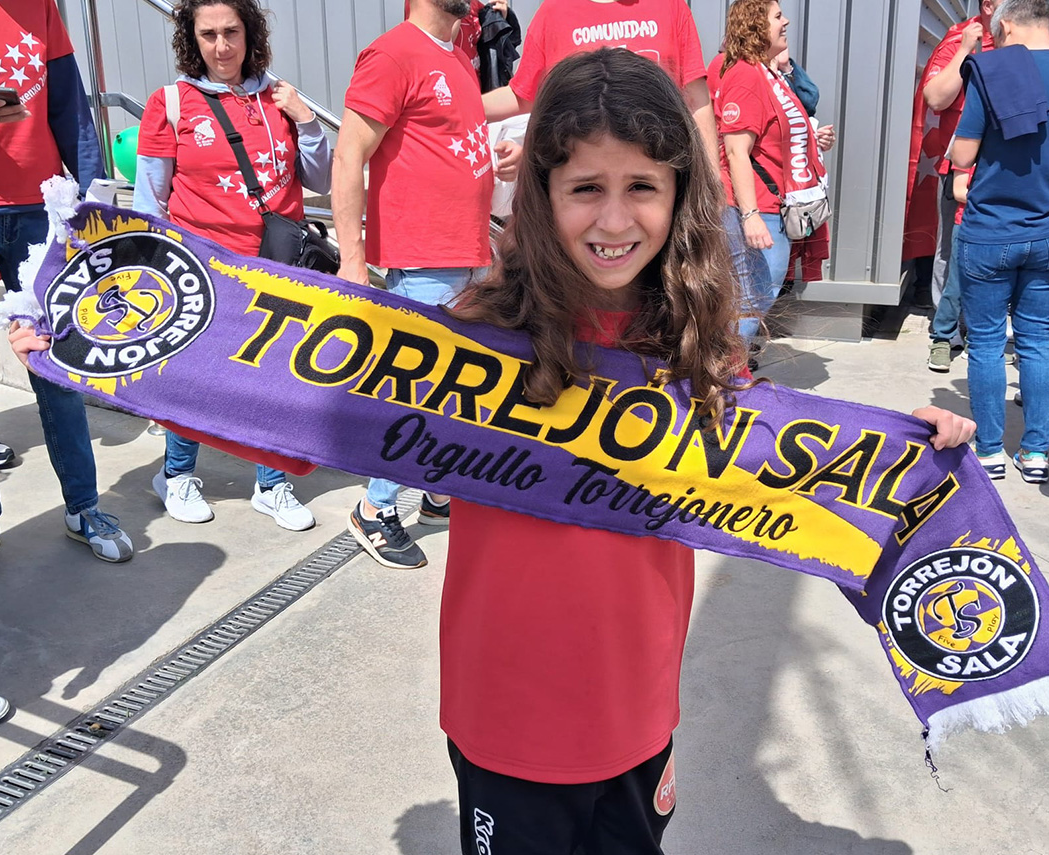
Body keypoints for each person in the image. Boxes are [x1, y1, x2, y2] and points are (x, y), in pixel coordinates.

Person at [435, 48, 975, 854]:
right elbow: (299, 410)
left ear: (679, 192)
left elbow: (781, 461)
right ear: (542, 195)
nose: (614, 220)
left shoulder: (699, 347)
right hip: (507, 717)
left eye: (641, 187)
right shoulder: (471, 340)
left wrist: (904, 447)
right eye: (585, 188)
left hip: (638, 710)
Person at [133, 0, 331, 530]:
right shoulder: (171, 103)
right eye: (208, 34)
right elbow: (150, 199)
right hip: (205, 269)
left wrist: (307, 120)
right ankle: (176, 475)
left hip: (277, 266)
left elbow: (321, 180)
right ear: (191, 39)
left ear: (250, 34)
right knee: (196, 376)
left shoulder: (280, 97)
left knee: (275, 377)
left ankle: (271, 483)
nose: (222, 47)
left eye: (231, 32)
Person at [332, 0, 516, 569]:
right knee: (418, 393)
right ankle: (374, 508)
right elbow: (349, 155)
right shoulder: (393, 54)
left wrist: (500, 157)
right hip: (423, 259)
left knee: (463, 390)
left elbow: (449, 143)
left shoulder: (457, 56)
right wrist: (352, 261)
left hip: (468, 252)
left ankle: (438, 493)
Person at [0, 0, 134, 563]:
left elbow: (72, 109)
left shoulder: (40, 8)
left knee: (57, 367)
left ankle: (83, 506)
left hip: (38, 212)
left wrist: (97, 202)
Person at [952, 0, 1049, 484]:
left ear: (1008, 26)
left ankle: (990, 451)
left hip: (990, 230)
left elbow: (963, 154)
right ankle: (1036, 453)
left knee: (985, 342)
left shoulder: (993, 72)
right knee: (1038, 341)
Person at [708, 0, 831, 342]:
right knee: (750, 302)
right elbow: (736, 151)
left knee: (751, 300)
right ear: (756, 26)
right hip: (755, 207)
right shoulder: (747, 75)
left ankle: (729, 365)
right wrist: (750, 217)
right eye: (777, 16)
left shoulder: (768, 72)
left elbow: (774, 132)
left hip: (771, 205)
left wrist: (812, 138)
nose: (786, 21)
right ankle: (724, 370)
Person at [480, 0, 721, 172]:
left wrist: (712, 176)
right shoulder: (554, 12)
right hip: (580, 179)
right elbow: (523, 96)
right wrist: (460, 106)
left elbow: (696, 101)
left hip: (658, 176)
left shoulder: (670, 6)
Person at [902, 3, 997, 371]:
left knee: (994, 254)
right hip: (958, 166)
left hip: (1005, 165)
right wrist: (964, 50)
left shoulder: (1021, 39)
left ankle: (979, 329)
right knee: (949, 251)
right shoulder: (960, 38)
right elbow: (936, 98)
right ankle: (946, 333)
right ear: (988, 5)